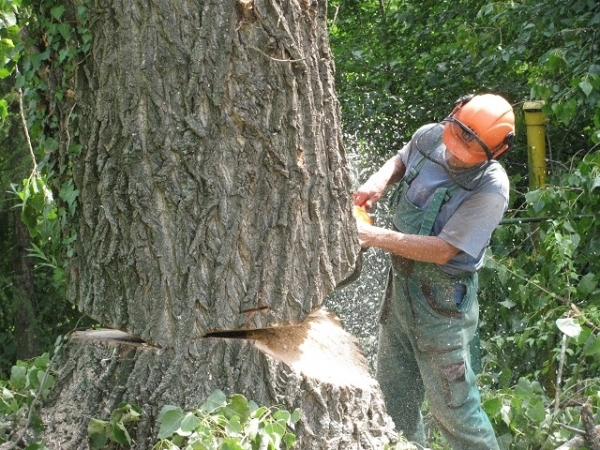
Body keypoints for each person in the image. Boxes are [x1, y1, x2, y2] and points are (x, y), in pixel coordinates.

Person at [353, 93, 515, 450]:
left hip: (443, 305)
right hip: (400, 293)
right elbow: (402, 158)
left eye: (468, 149)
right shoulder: (431, 135)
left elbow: (444, 250)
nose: (457, 150)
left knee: (455, 412)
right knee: (394, 403)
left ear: (496, 151)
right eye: (456, 138)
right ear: (453, 115)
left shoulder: (490, 187)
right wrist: (379, 181)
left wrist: (375, 236)